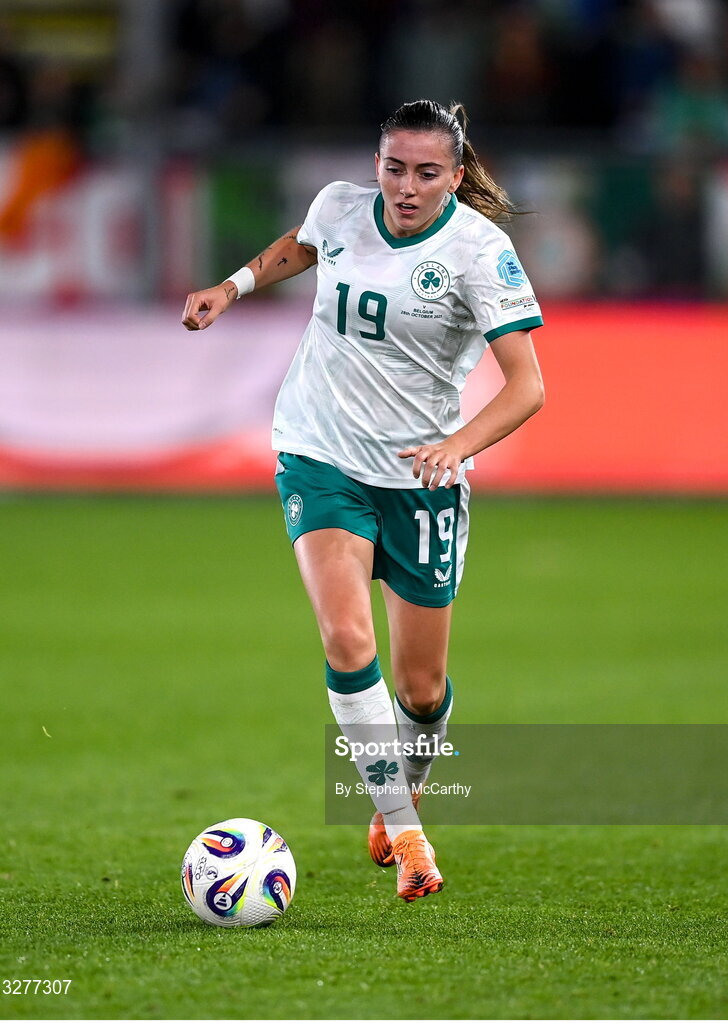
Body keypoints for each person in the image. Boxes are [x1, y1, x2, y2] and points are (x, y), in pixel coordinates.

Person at [182, 99, 544, 902]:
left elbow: (528, 387)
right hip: (319, 453)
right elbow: (303, 245)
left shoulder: (478, 252)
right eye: (393, 168)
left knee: (421, 691)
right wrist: (232, 286)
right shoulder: (342, 207)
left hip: (419, 478)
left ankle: (402, 792)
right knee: (347, 639)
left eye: (425, 173)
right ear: (375, 163)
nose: (405, 187)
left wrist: (457, 446)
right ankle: (409, 837)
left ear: (455, 175)